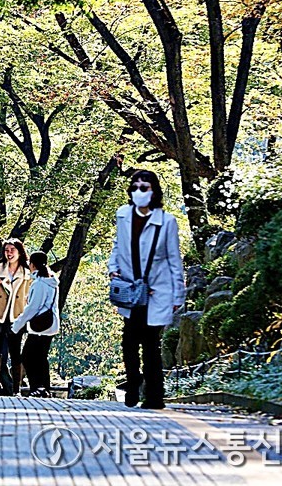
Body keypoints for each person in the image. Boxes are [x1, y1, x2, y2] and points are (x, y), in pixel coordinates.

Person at [108, 170, 185, 409]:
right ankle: (133, 383)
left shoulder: (167, 221)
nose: (139, 191)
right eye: (135, 187)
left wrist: (177, 294)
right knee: (129, 342)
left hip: (156, 290)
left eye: (145, 187)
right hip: (131, 289)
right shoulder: (123, 216)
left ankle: (154, 396)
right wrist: (113, 269)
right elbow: (117, 246)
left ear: (154, 191)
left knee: (151, 344)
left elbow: (174, 258)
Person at [0, 238, 33, 395]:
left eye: (12, 250)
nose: (9, 253)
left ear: (19, 252)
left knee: (15, 351)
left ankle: (16, 388)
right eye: (6, 250)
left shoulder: (27, 272)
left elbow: (30, 293)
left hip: (17, 315)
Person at [11, 251, 60, 398]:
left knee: (27, 356)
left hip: (39, 327)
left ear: (32, 265)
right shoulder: (51, 282)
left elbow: (33, 308)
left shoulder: (39, 283)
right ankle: (44, 388)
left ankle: (37, 387)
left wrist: (16, 325)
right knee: (41, 357)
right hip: (50, 325)